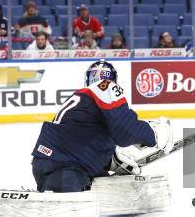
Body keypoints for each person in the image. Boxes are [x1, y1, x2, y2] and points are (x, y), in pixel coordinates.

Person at [31, 60, 173, 192]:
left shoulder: (83, 100)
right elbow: (125, 130)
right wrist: (152, 135)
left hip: (49, 165)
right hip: (67, 171)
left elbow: (80, 135)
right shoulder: (105, 87)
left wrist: (108, 160)